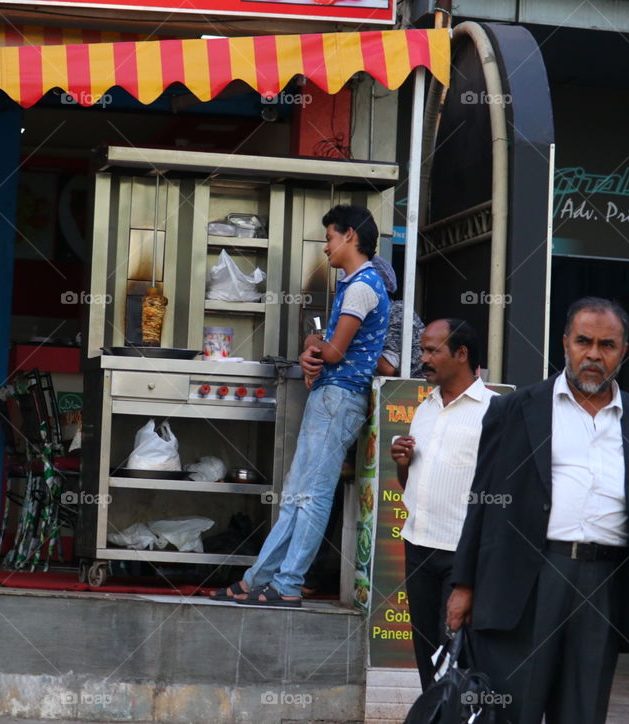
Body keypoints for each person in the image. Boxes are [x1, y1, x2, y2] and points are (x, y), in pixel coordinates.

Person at [446, 296, 629, 724]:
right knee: (514, 708)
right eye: (584, 341)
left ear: (623, 351)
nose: (593, 355)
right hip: (528, 579)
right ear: (565, 342)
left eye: (607, 346)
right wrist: (464, 583)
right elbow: (482, 500)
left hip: (603, 582)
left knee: (583, 711)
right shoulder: (514, 410)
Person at [210, 204, 390, 607]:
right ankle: (261, 578)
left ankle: (287, 584)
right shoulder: (357, 284)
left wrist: (316, 349)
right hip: (334, 396)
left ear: (350, 237)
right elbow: (325, 346)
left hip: (339, 396)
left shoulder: (362, 286)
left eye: (329, 237)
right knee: (297, 493)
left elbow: (335, 350)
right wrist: (315, 349)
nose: (325, 247)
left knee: (310, 495)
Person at [389, 318, 497, 690]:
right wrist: (401, 464)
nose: (424, 359)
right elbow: (410, 484)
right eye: (422, 350)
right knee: (427, 654)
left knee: (459, 659)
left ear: (461, 354)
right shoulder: (426, 408)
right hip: (418, 546)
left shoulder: (494, 412)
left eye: (433, 350)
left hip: (462, 556)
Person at [370, 255, 426, 378]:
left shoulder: (397, 312)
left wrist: (349, 341)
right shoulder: (373, 318)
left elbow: (388, 367)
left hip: (413, 391)